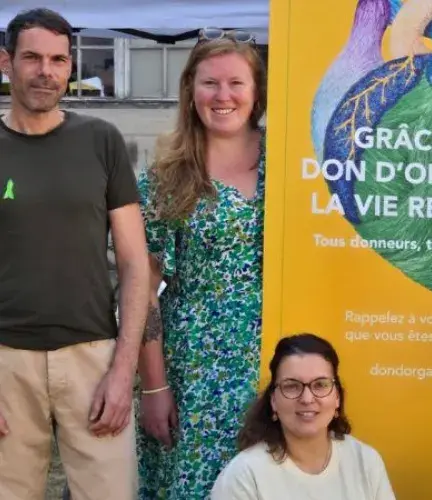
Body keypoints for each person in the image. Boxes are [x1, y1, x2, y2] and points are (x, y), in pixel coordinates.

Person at [0, 8, 150, 500]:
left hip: (93, 358)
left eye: (58, 60)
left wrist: (123, 371)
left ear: (70, 66)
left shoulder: (101, 141)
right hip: (6, 362)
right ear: (6, 62)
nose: (46, 71)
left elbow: (134, 264)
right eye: (32, 58)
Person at [134, 28, 268, 498]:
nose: (222, 96)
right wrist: (154, 388)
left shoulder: (293, 163)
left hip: (276, 362)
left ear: (257, 92)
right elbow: (142, 288)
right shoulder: (167, 176)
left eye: (236, 83)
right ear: (190, 92)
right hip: (193, 366)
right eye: (210, 83)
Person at [210, 333, 397, 499]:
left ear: (337, 398)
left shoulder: (365, 461)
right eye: (292, 386)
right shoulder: (244, 475)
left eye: (320, 385)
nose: (307, 399)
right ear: (273, 400)